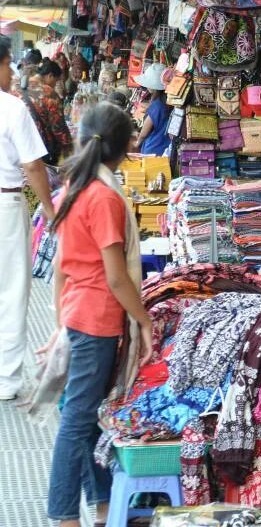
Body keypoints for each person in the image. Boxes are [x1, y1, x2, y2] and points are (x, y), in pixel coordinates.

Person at [46, 102, 153, 527]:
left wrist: (60, 321)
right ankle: (64, 515)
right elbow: (116, 277)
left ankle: (105, 506)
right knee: (76, 421)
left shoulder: (76, 184)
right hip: (96, 320)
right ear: (126, 146)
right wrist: (142, 318)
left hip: (78, 310)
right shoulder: (105, 197)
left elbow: (59, 265)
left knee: (86, 415)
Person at [0, 42, 56, 401]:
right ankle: (6, 380)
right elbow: (33, 165)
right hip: (5, 204)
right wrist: (51, 212)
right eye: (7, 64)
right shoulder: (11, 108)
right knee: (10, 292)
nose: (11, 72)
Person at [12, 59, 74, 163]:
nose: (55, 85)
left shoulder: (15, 87)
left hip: (17, 147)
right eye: (56, 80)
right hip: (40, 151)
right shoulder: (48, 92)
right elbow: (58, 127)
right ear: (50, 75)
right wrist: (69, 148)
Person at [133, 64, 171, 156]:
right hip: (167, 149)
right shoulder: (170, 101)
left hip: (152, 150)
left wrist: (137, 143)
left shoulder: (157, 105)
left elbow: (144, 133)